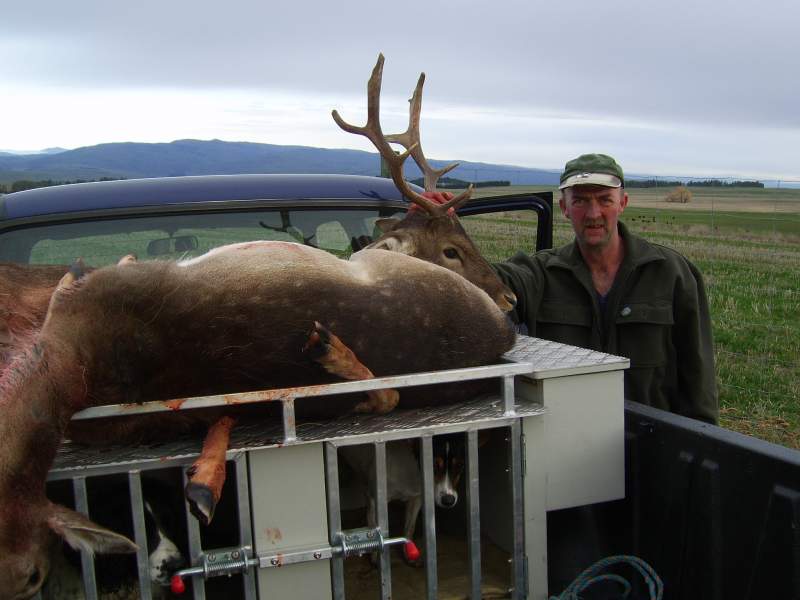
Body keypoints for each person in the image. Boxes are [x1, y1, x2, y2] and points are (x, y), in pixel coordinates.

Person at [494, 153, 718, 424]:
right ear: (564, 207)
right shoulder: (540, 274)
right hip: (568, 439)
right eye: (580, 201)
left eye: (604, 200)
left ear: (622, 203)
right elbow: (482, 282)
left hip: (652, 442)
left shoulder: (672, 273)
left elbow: (698, 376)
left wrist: (702, 444)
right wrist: (438, 226)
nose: (593, 214)